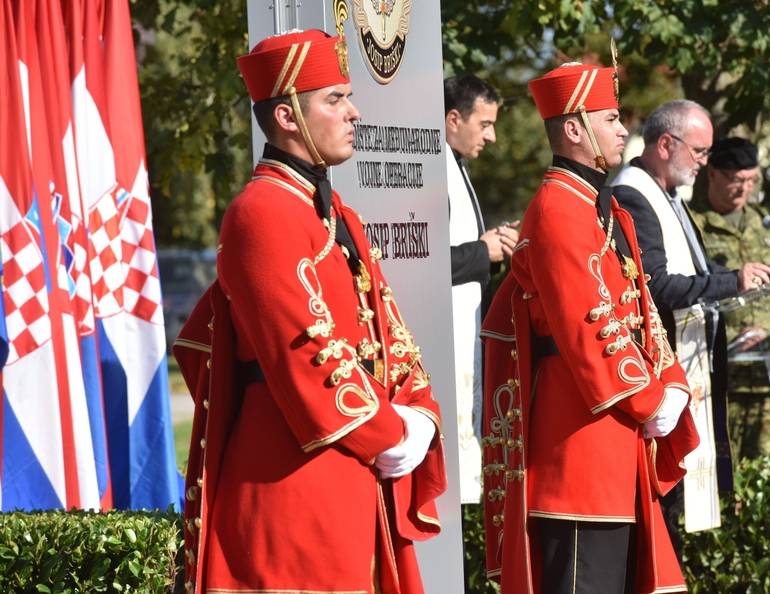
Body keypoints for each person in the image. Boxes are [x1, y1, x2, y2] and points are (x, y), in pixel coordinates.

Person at [172, 29, 446, 594]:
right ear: (287, 116)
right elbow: (308, 354)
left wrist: (420, 412)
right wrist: (392, 430)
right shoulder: (261, 212)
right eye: (335, 99)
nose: (354, 112)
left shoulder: (339, 214)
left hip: (355, 469)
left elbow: (389, 328)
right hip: (291, 487)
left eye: (349, 97)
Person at [481, 59, 699, 594]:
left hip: (617, 438)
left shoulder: (603, 207)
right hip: (576, 451)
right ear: (575, 129)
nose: (623, 130)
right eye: (611, 119)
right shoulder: (557, 208)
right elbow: (589, 327)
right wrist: (651, 398)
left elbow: (642, 307)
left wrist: (671, 379)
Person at [611, 100, 770, 542]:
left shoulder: (667, 195)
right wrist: (732, 282)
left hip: (687, 368)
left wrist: (742, 276)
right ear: (666, 144)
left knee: (677, 517)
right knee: (662, 517)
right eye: (699, 151)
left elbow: (696, 271)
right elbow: (657, 286)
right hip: (660, 376)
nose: (704, 162)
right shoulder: (633, 195)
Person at [689, 137, 770, 459]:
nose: (744, 188)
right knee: (722, 472)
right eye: (736, 179)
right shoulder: (692, 225)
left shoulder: (769, 224)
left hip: (769, 377)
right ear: (712, 174)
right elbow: (689, 293)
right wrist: (734, 335)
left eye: (751, 180)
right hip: (718, 378)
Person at [444, 74, 519, 503]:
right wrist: (481, 251)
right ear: (454, 119)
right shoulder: (433, 169)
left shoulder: (455, 164)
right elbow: (421, 260)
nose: (492, 137)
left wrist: (493, 246)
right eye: (485, 124)